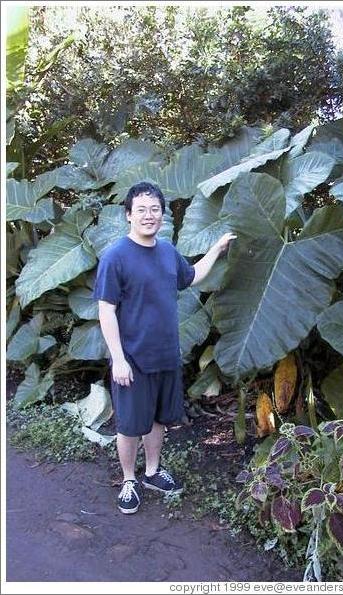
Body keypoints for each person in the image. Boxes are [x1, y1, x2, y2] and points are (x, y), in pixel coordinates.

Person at [93, 181, 237, 514]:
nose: (148, 215)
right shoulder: (115, 257)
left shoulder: (167, 252)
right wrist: (118, 359)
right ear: (129, 215)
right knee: (130, 424)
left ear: (162, 215)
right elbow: (106, 310)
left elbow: (192, 276)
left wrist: (216, 249)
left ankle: (152, 472)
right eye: (141, 209)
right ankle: (129, 479)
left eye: (154, 209)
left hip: (166, 356)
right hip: (132, 359)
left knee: (159, 419)